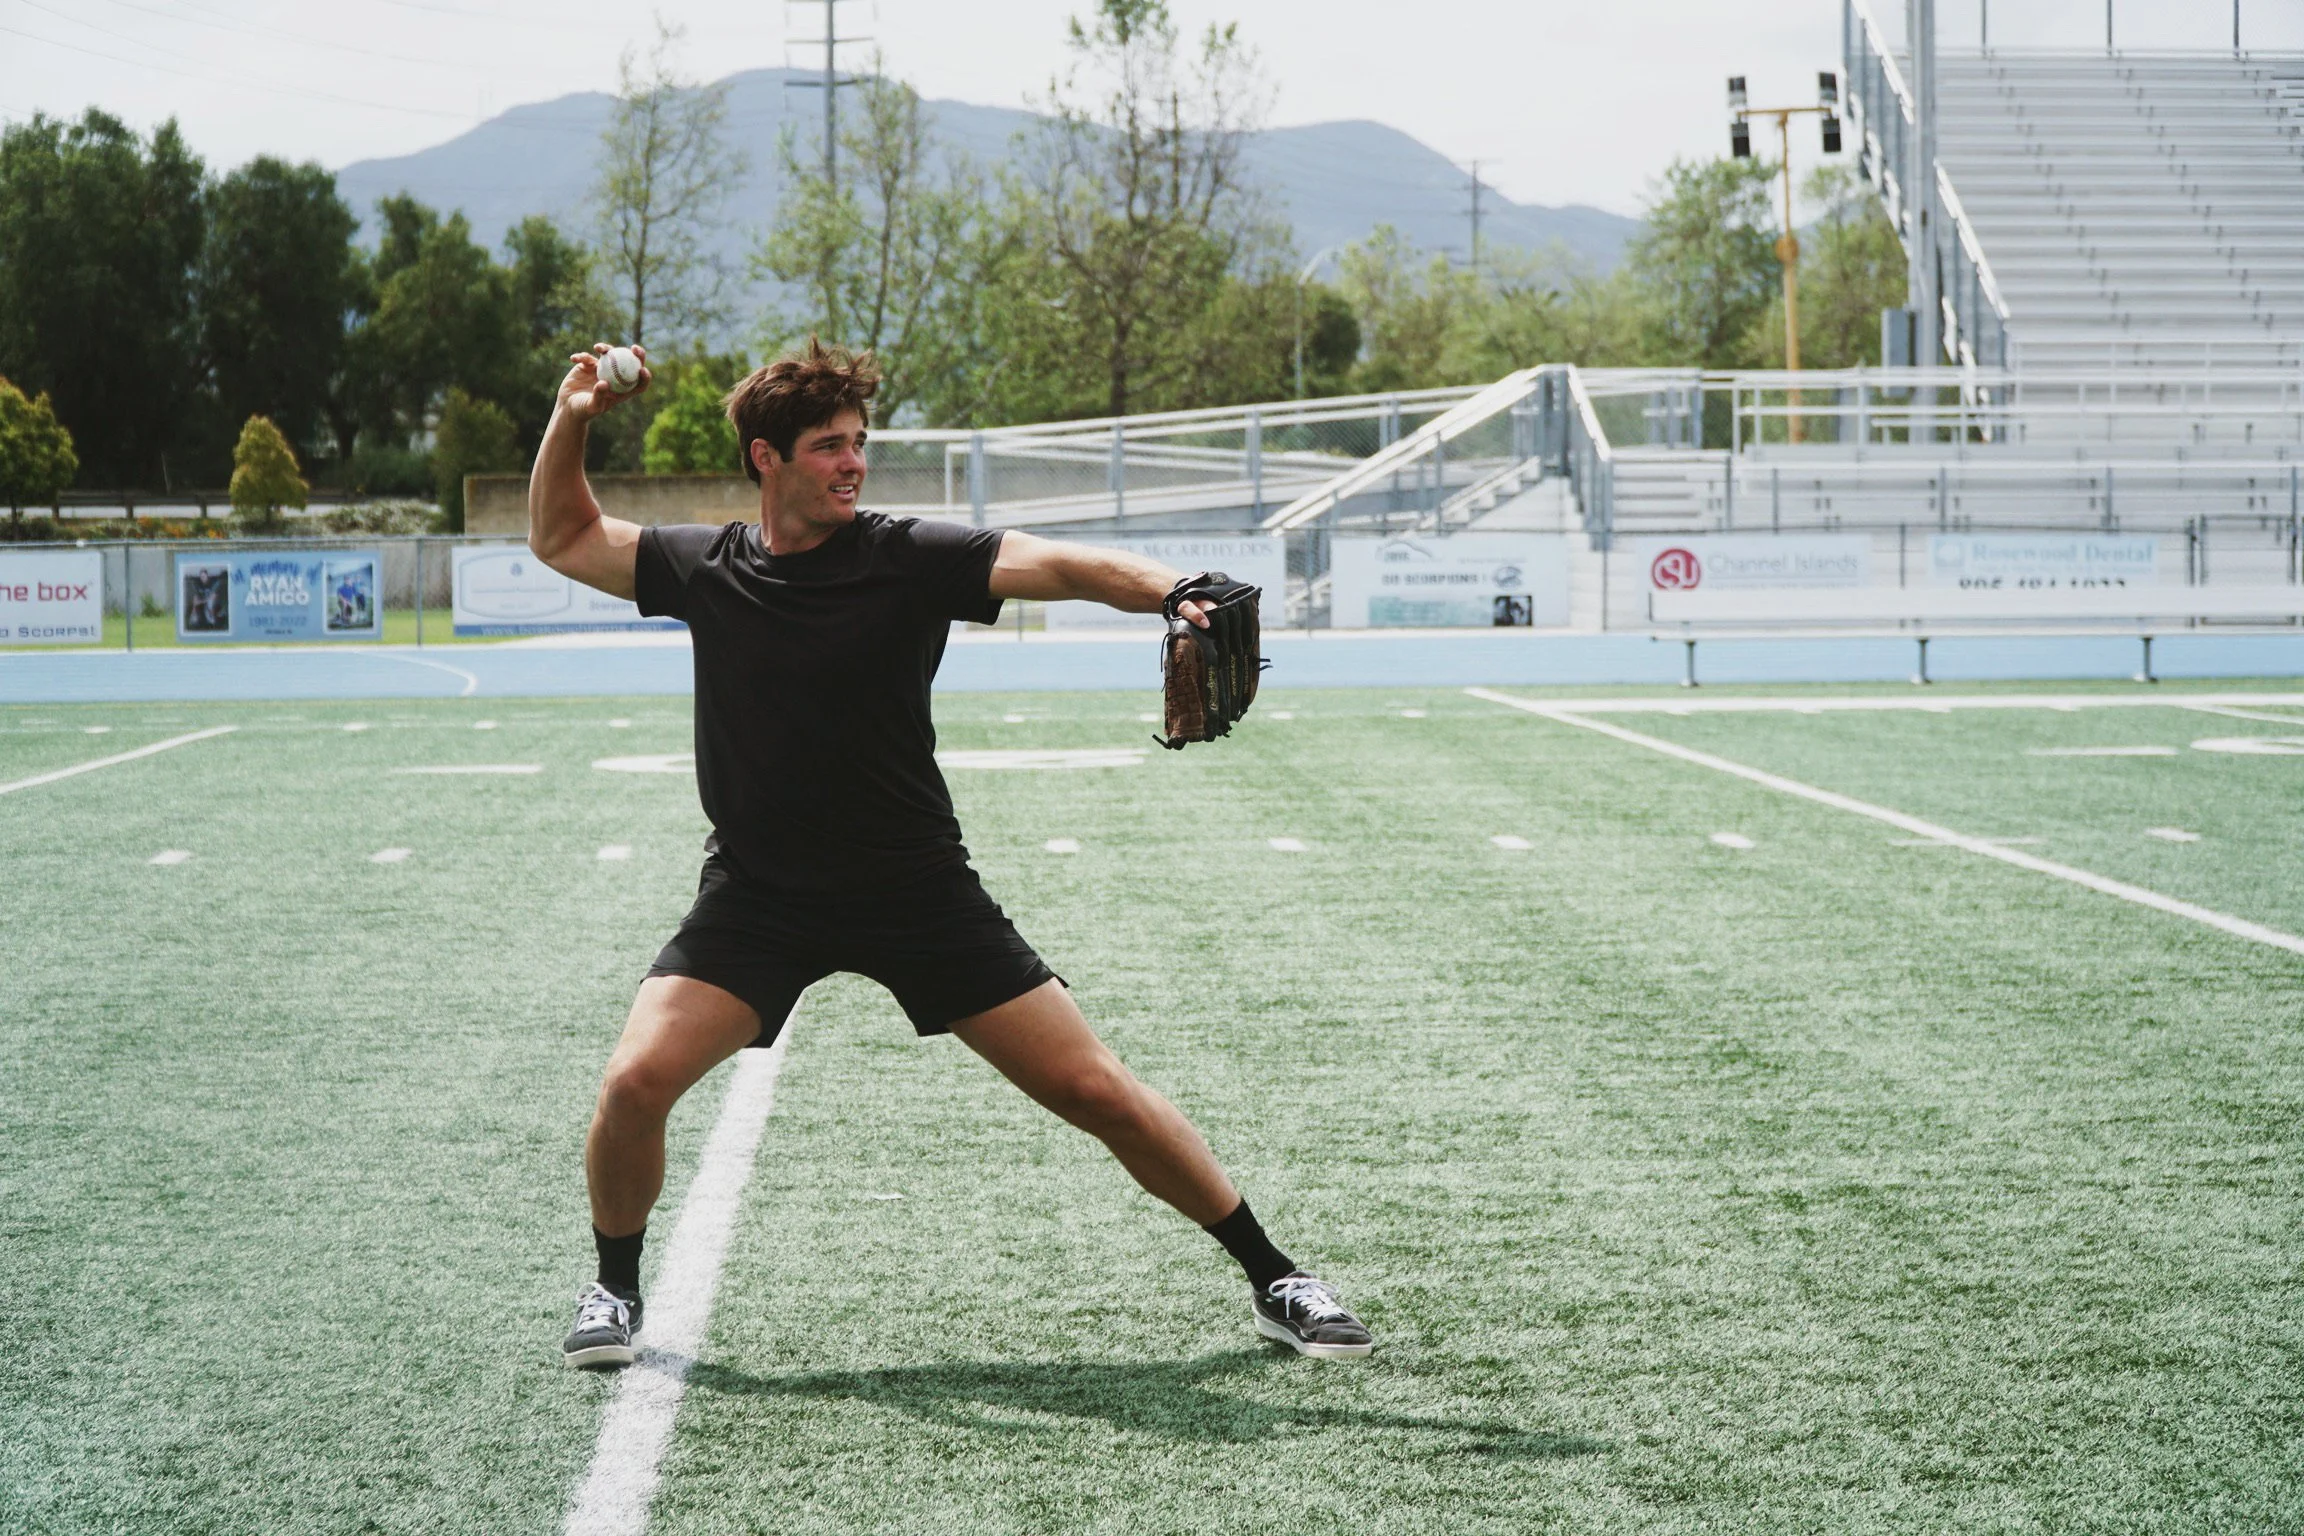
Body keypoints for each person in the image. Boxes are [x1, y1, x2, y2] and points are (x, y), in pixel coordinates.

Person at [527, 338, 1371, 1368]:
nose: (852, 463)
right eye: (828, 447)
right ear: (766, 458)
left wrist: (1173, 589)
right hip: (759, 897)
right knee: (633, 1084)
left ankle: (1273, 1273)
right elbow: (565, 535)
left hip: (914, 890)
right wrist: (572, 415)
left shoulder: (904, 554)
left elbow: (1057, 562)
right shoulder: (705, 567)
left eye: (858, 444)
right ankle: (614, 1289)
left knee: (1096, 1090)